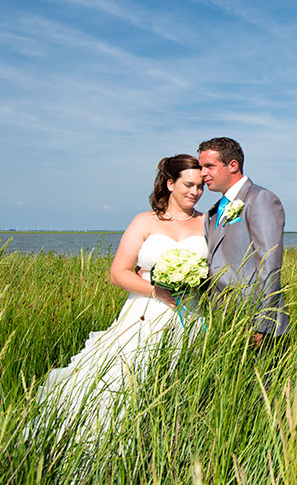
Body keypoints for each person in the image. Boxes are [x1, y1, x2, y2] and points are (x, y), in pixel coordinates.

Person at [29, 154, 206, 440]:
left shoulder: (206, 222)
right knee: (124, 381)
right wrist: (156, 291)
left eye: (200, 187)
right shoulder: (145, 221)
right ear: (170, 183)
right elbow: (119, 273)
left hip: (192, 312)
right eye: (188, 184)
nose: (195, 192)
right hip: (146, 312)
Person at [198, 137, 289, 348]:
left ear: (232, 165)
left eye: (209, 166)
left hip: (253, 317)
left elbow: (269, 264)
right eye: (201, 167)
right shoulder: (214, 211)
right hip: (221, 317)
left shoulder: (261, 199)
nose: (203, 174)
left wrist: (262, 323)